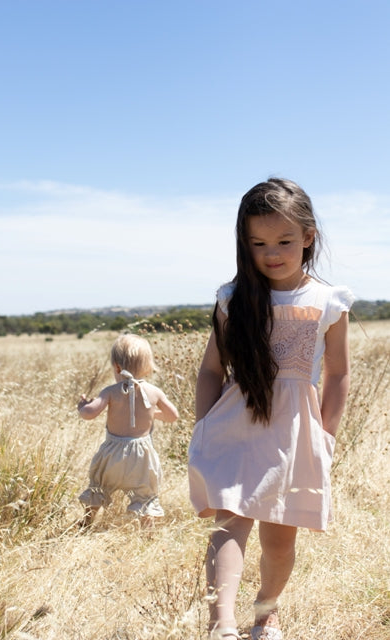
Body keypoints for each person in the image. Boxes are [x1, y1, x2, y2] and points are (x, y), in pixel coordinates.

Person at [188, 178, 354, 640]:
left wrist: (326, 436)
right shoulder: (233, 299)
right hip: (235, 425)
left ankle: (265, 614)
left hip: (297, 432)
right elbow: (210, 370)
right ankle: (220, 624)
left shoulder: (328, 301)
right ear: (244, 244)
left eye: (283, 241)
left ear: (308, 236)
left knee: (280, 541)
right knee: (230, 520)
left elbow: (338, 374)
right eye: (258, 243)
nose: (272, 253)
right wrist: (203, 426)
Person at [78, 333, 179, 528]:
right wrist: (153, 413)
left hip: (113, 453)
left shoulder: (110, 391)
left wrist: (82, 405)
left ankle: (88, 520)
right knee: (145, 494)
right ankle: (147, 532)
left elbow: (89, 413)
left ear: (116, 366)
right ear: (148, 365)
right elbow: (173, 416)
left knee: (99, 486)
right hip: (141, 456)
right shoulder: (154, 392)